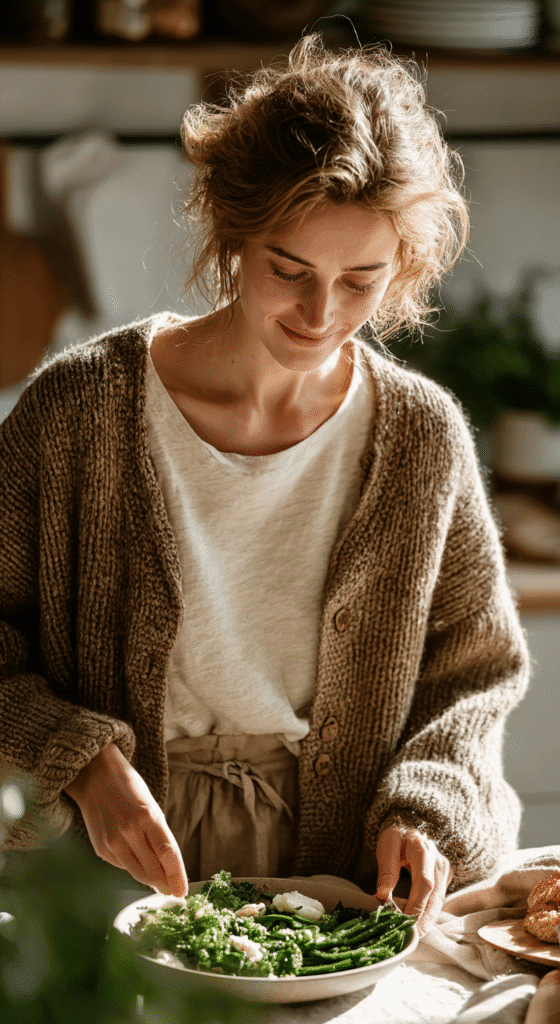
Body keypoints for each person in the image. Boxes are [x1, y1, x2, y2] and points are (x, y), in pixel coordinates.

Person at [0, 34, 529, 938]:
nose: (321, 317)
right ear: (233, 230)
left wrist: (426, 805)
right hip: (104, 865)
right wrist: (78, 762)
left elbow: (472, 679)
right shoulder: (77, 410)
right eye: (290, 271)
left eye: (361, 281)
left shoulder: (419, 439)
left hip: (344, 874)